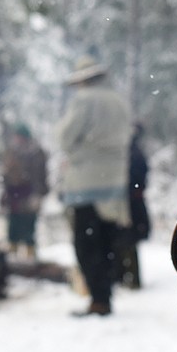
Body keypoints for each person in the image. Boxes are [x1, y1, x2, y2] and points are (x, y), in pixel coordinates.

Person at [55, 55, 132, 317]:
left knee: (86, 245)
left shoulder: (84, 100)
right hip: (115, 180)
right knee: (108, 242)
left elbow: (65, 137)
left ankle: (98, 299)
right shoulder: (120, 102)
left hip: (86, 181)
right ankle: (106, 295)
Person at [0, 123, 48, 259]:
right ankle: (12, 258)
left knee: (28, 228)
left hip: (29, 194)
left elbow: (41, 176)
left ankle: (30, 258)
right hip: (13, 195)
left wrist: (38, 195)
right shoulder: (11, 152)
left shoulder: (36, 153)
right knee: (13, 227)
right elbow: (6, 177)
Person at [115, 123, 151, 289]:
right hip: (129, 201)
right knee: (125, 241)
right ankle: (126, 277)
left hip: (130, 202)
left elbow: (138, 179)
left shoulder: (132, 154)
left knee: (127, 241)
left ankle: (131, 279)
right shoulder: (131, 152)